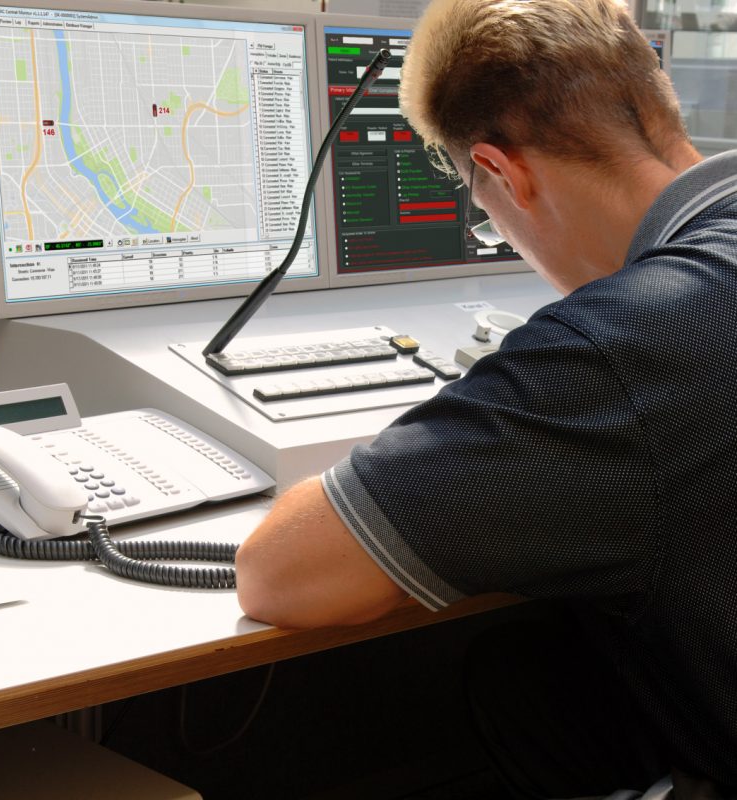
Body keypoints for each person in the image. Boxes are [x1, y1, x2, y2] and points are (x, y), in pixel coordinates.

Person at [235, 0, 737, 796]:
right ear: (655, 102)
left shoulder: (618, 345)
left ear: (502, 172)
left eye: (484, 212)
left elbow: (281, 576)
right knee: (530, 675)